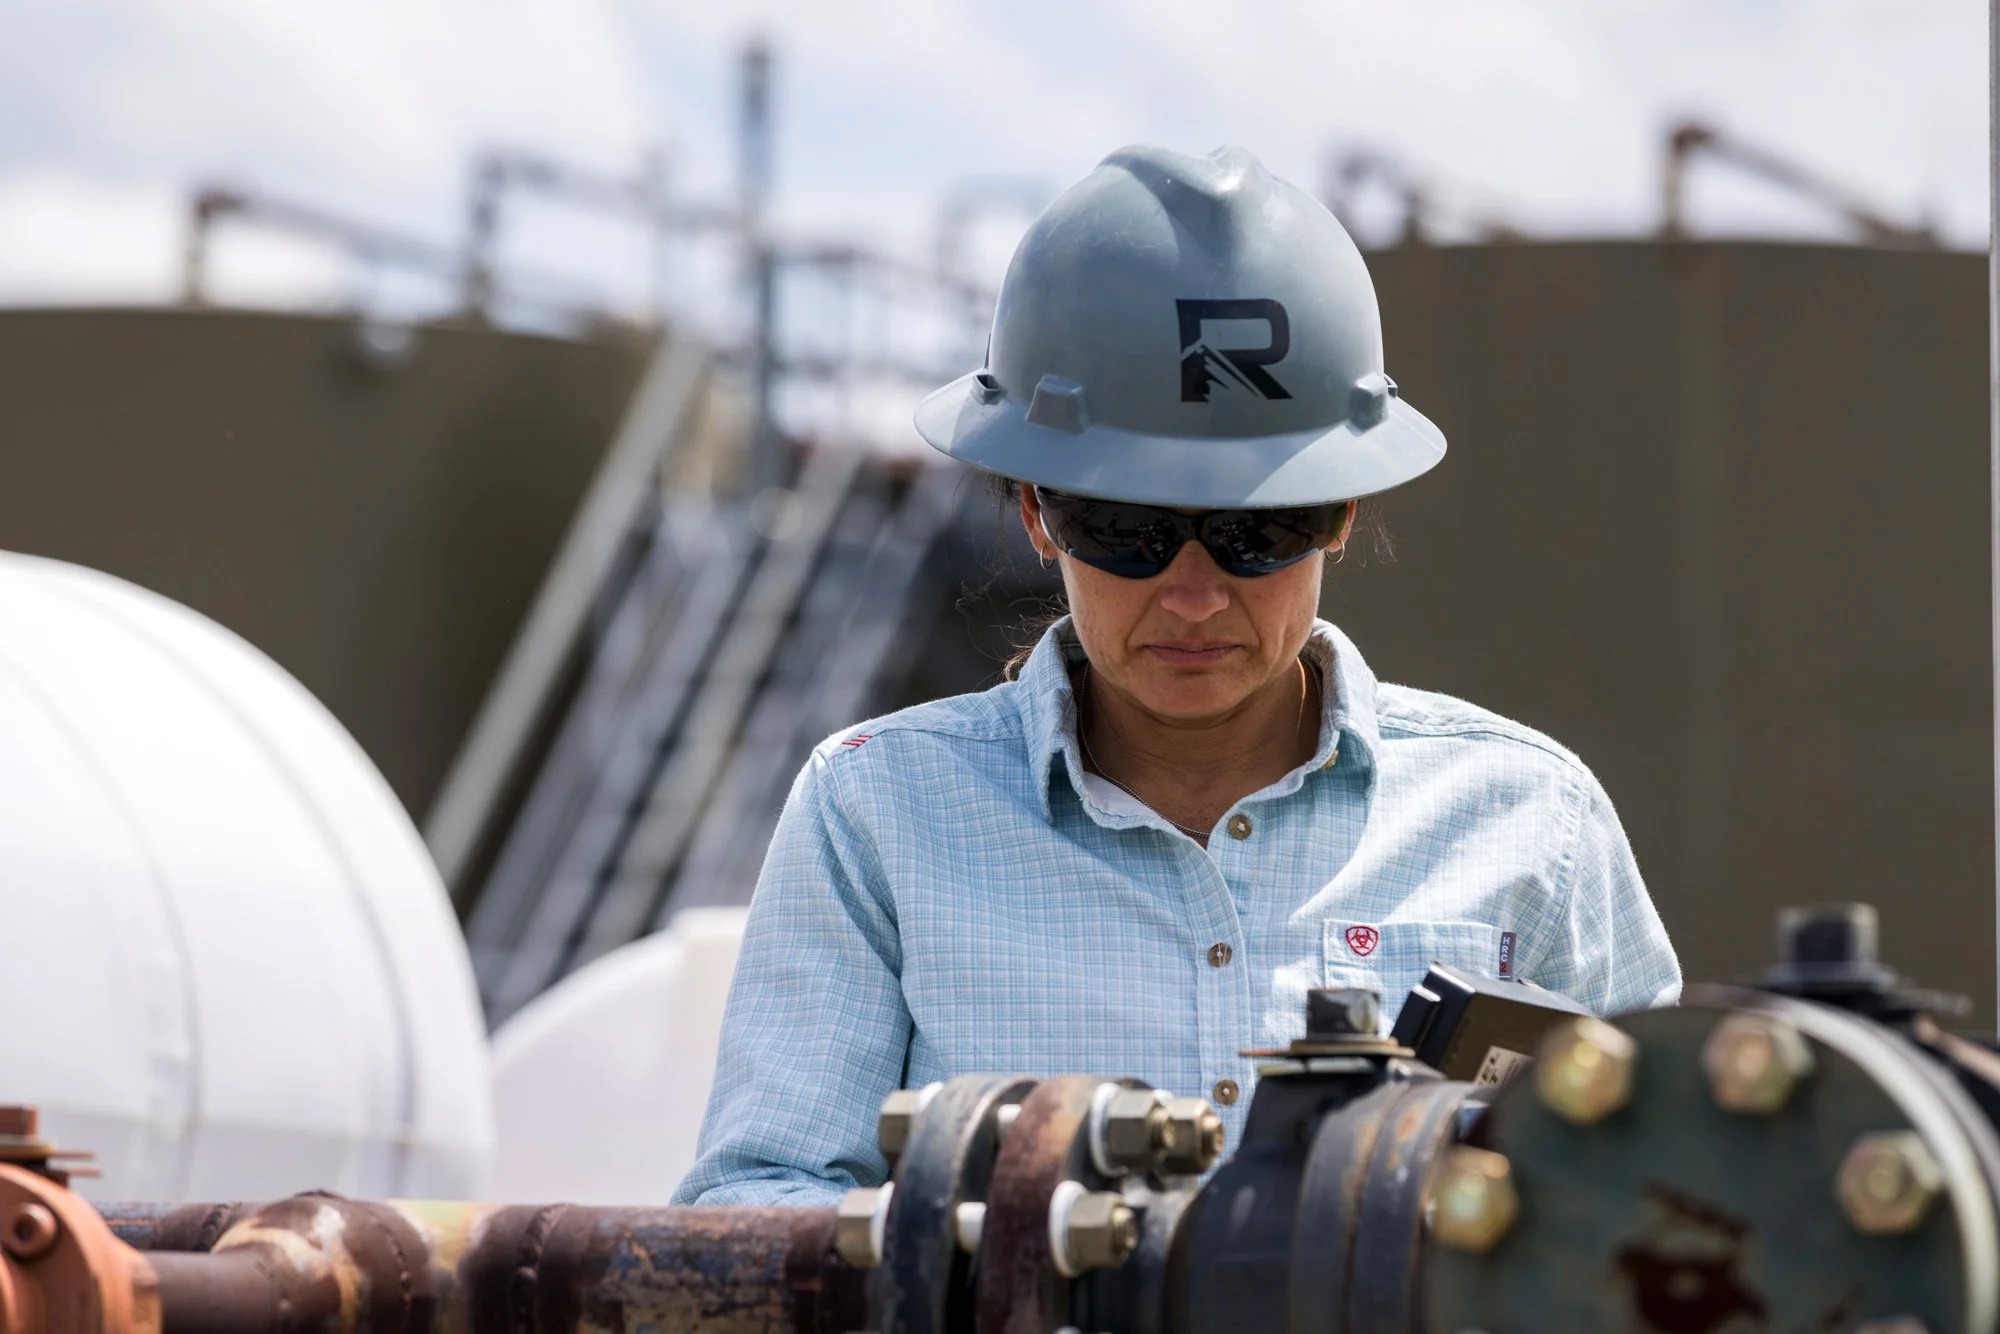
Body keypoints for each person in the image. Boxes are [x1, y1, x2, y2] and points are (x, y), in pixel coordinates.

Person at [674, 144, 1679, 1208]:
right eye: (1125, 528)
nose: (1193, 595)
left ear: (1340, 513)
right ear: (1033, 511)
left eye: (1256, 533)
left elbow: (1671, 1204)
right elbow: (755, 1217)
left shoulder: (1529, 821)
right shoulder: (877, 813)